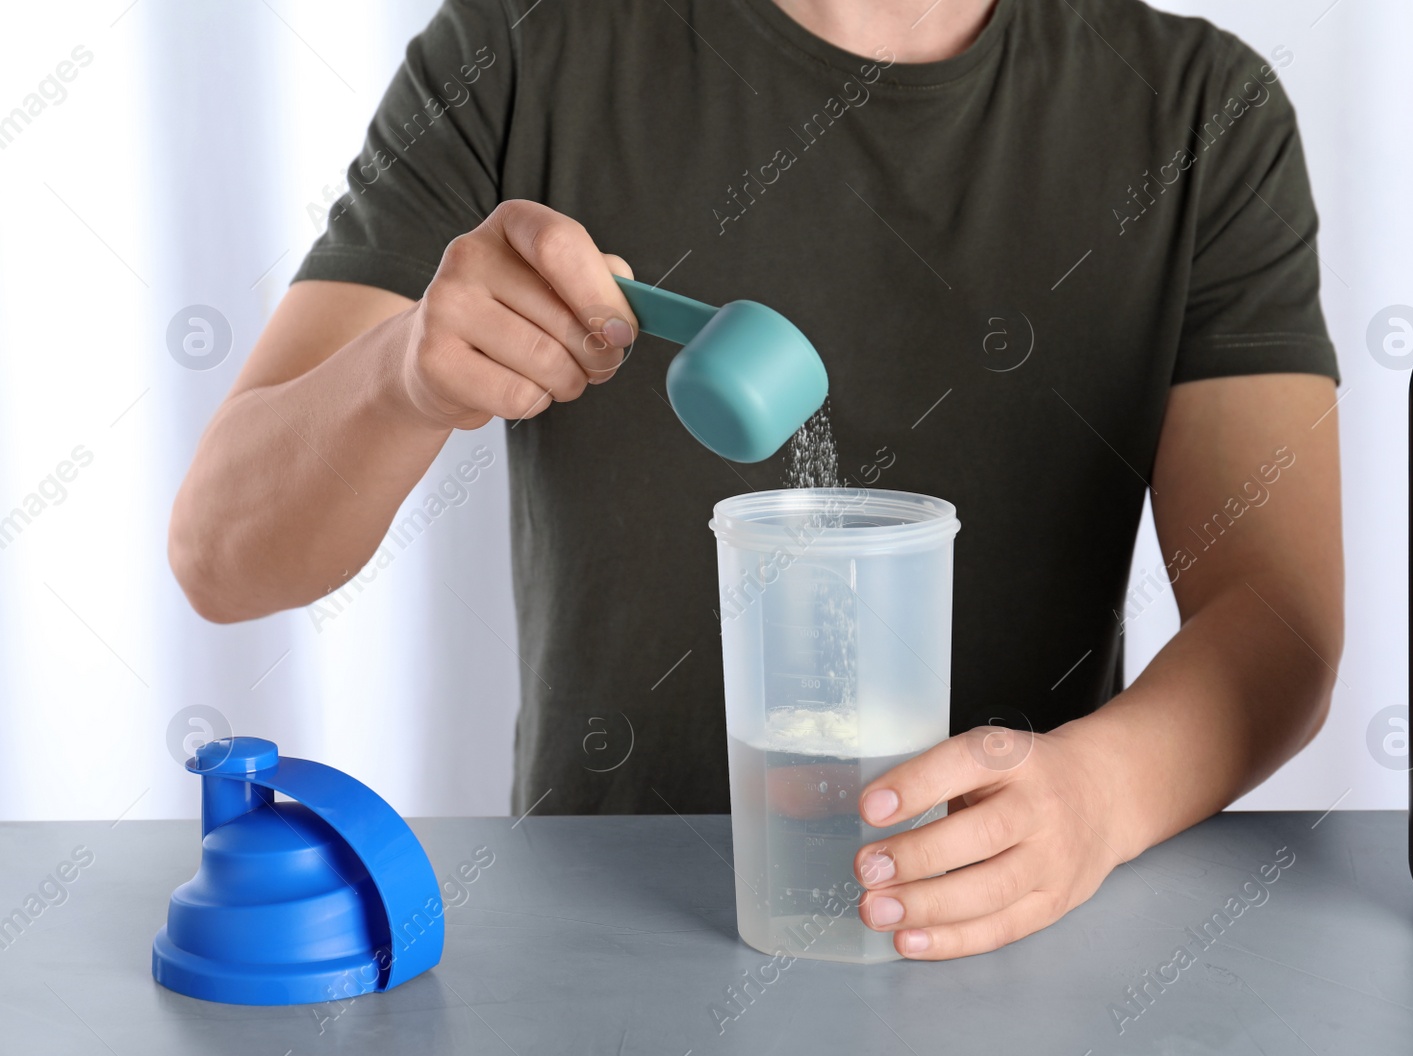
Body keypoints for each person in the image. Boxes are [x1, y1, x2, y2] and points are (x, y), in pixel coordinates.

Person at [169, 0, 1343, 961]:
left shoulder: (1198, 113)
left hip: (1020, 938)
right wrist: (401, 376)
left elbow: (1275, 618)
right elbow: (223, 555)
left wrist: (1099, 802)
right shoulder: (525, 48)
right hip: (599, 943)